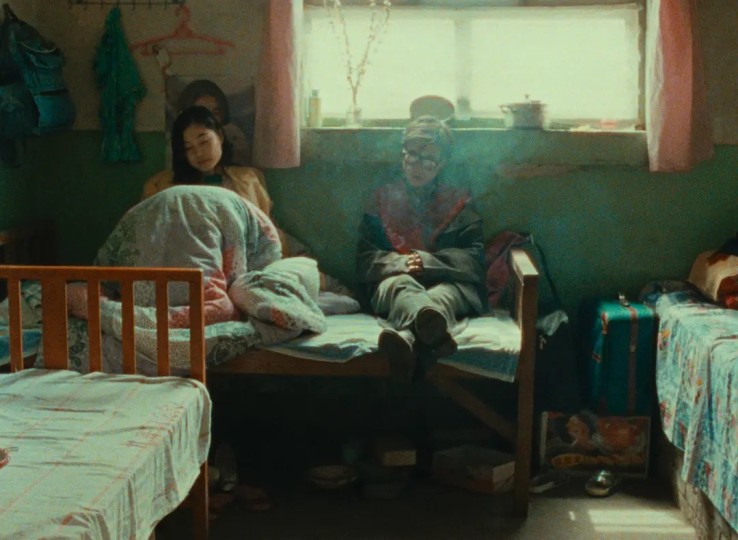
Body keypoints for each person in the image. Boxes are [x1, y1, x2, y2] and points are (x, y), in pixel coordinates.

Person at [356, 115, 485, 381]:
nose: (418, 165)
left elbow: (474, 260)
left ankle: (407, 339)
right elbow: (365, 260)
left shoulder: (459, 201)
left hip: (449, 283)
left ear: (443, 163)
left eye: (428, 160)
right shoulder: (382, 199)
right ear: (402, 155)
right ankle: (436, 340)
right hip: (395, 281)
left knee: (441, 296)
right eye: (412, 155)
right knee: (403, 287)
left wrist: (427, 261)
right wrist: (402, 263)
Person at [175, 78, 252, 165]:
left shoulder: (232, 135)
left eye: (215, 113)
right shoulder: (178, 144)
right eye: (202, 113)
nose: (210, 119)